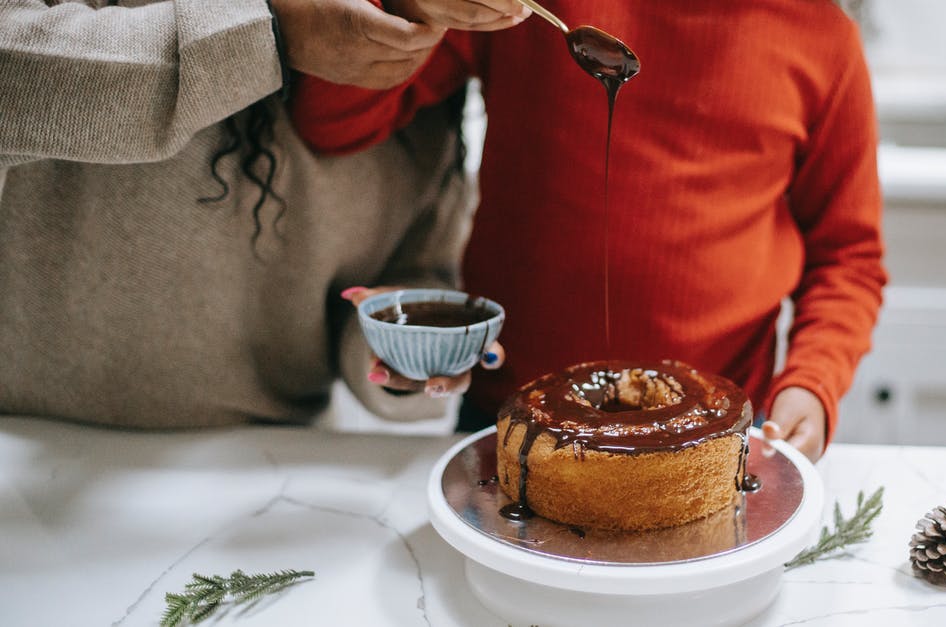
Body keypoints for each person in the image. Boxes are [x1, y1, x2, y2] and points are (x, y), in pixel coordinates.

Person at [291, 0, 887, 460]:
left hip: (719, 433)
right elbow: (332, 119)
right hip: (508, 417)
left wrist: (812, 382)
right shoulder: (525, 11)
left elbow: (850, 258)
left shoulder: (824, 41)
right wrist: (408, 9)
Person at [0, 0, 518, 428]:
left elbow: (405, 265)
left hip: (265, 472)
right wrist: (267, 31)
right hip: (24, 449)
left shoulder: (433, 40)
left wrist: (396, 347)